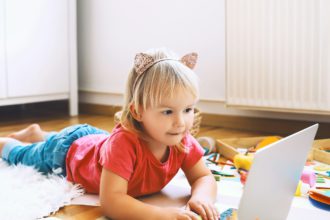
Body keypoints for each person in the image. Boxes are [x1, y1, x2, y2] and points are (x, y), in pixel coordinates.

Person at [0, 48, 219, 220]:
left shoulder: (180, 139)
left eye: (188, 109)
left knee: (84, 142)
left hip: (95, 140)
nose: (181, 122)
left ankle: (38, 133)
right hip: (65, 152)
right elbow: (112, 202)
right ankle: (6, 144)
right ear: (137, 111)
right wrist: (161, 215)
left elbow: (203, 176)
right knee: (24, 156)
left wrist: (201, 198)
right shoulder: (124, 144)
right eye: (168, 111)